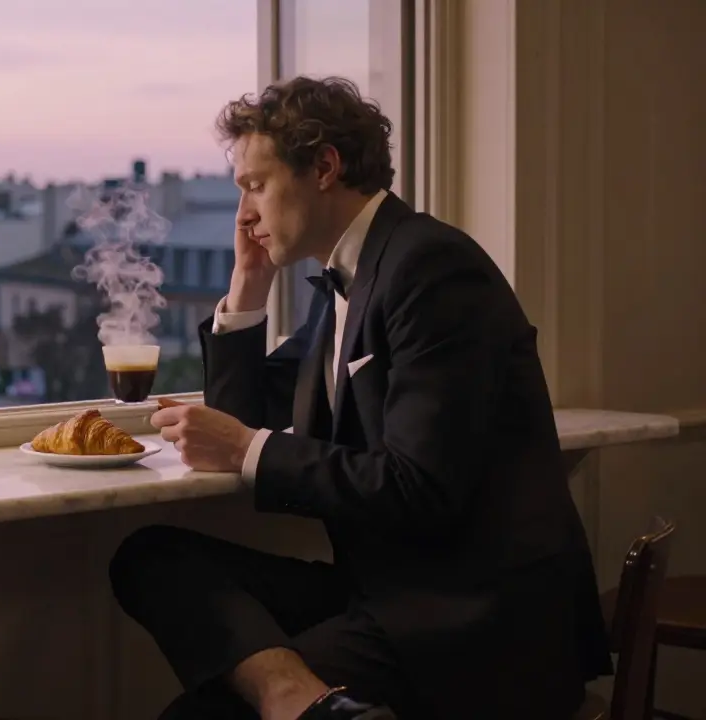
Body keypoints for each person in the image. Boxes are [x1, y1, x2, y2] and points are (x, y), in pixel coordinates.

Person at [109, 76, 612, 720]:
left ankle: (301, 701)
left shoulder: (429, 267)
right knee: (151, 557)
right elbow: (239, 420)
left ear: (324, 166)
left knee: (199, 717)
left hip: (473, 618)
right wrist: (246, 290)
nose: (244, 215)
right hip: (385, 592)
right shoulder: (344, 288)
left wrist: (249, 449)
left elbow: (421, 488)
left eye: (255, 186)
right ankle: (299, 698)